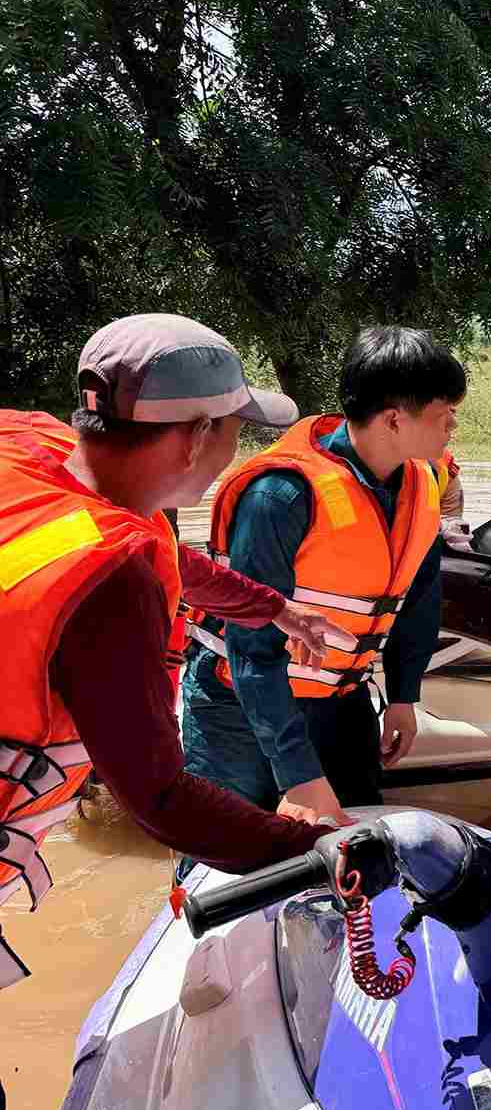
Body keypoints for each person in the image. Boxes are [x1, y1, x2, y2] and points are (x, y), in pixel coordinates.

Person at [0, 313, 353, 991]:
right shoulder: (112, 585)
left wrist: (275, 608)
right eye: (235, 431)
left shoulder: (39, 450)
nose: (235, 450)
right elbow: (160, 796)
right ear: (197, 439)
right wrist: (319, 848)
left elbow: (169, 558)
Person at [182, 325, 465, 825]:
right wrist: (296, 771)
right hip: (241, 705)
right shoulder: (281, 496)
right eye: (445, 416)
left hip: (339, 697)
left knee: (360, 849)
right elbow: (251, 645)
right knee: (227, 861)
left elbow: (419, 595)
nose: (452, 429)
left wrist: (403, 696)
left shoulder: (422, 481)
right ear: (395, 420)